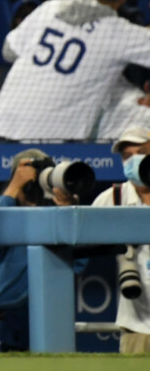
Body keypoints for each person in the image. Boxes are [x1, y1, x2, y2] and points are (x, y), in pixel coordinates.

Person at [0, 0, 150, 140]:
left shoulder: (50, 8)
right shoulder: (120, 33)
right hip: (55, 142)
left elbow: (8, 51)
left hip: (1, 128)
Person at [0, 148, 78, 352]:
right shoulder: (5, 209)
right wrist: (14, 187)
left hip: (49, 319)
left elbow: (79, 261)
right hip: (3, 322)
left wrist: (67, 210)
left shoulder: (55, 215)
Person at [91, 124, 150, 354]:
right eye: (127, 156)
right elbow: (78, 241)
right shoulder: (112, 198)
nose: (134, 161)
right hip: (138, 327)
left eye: (142, 153)